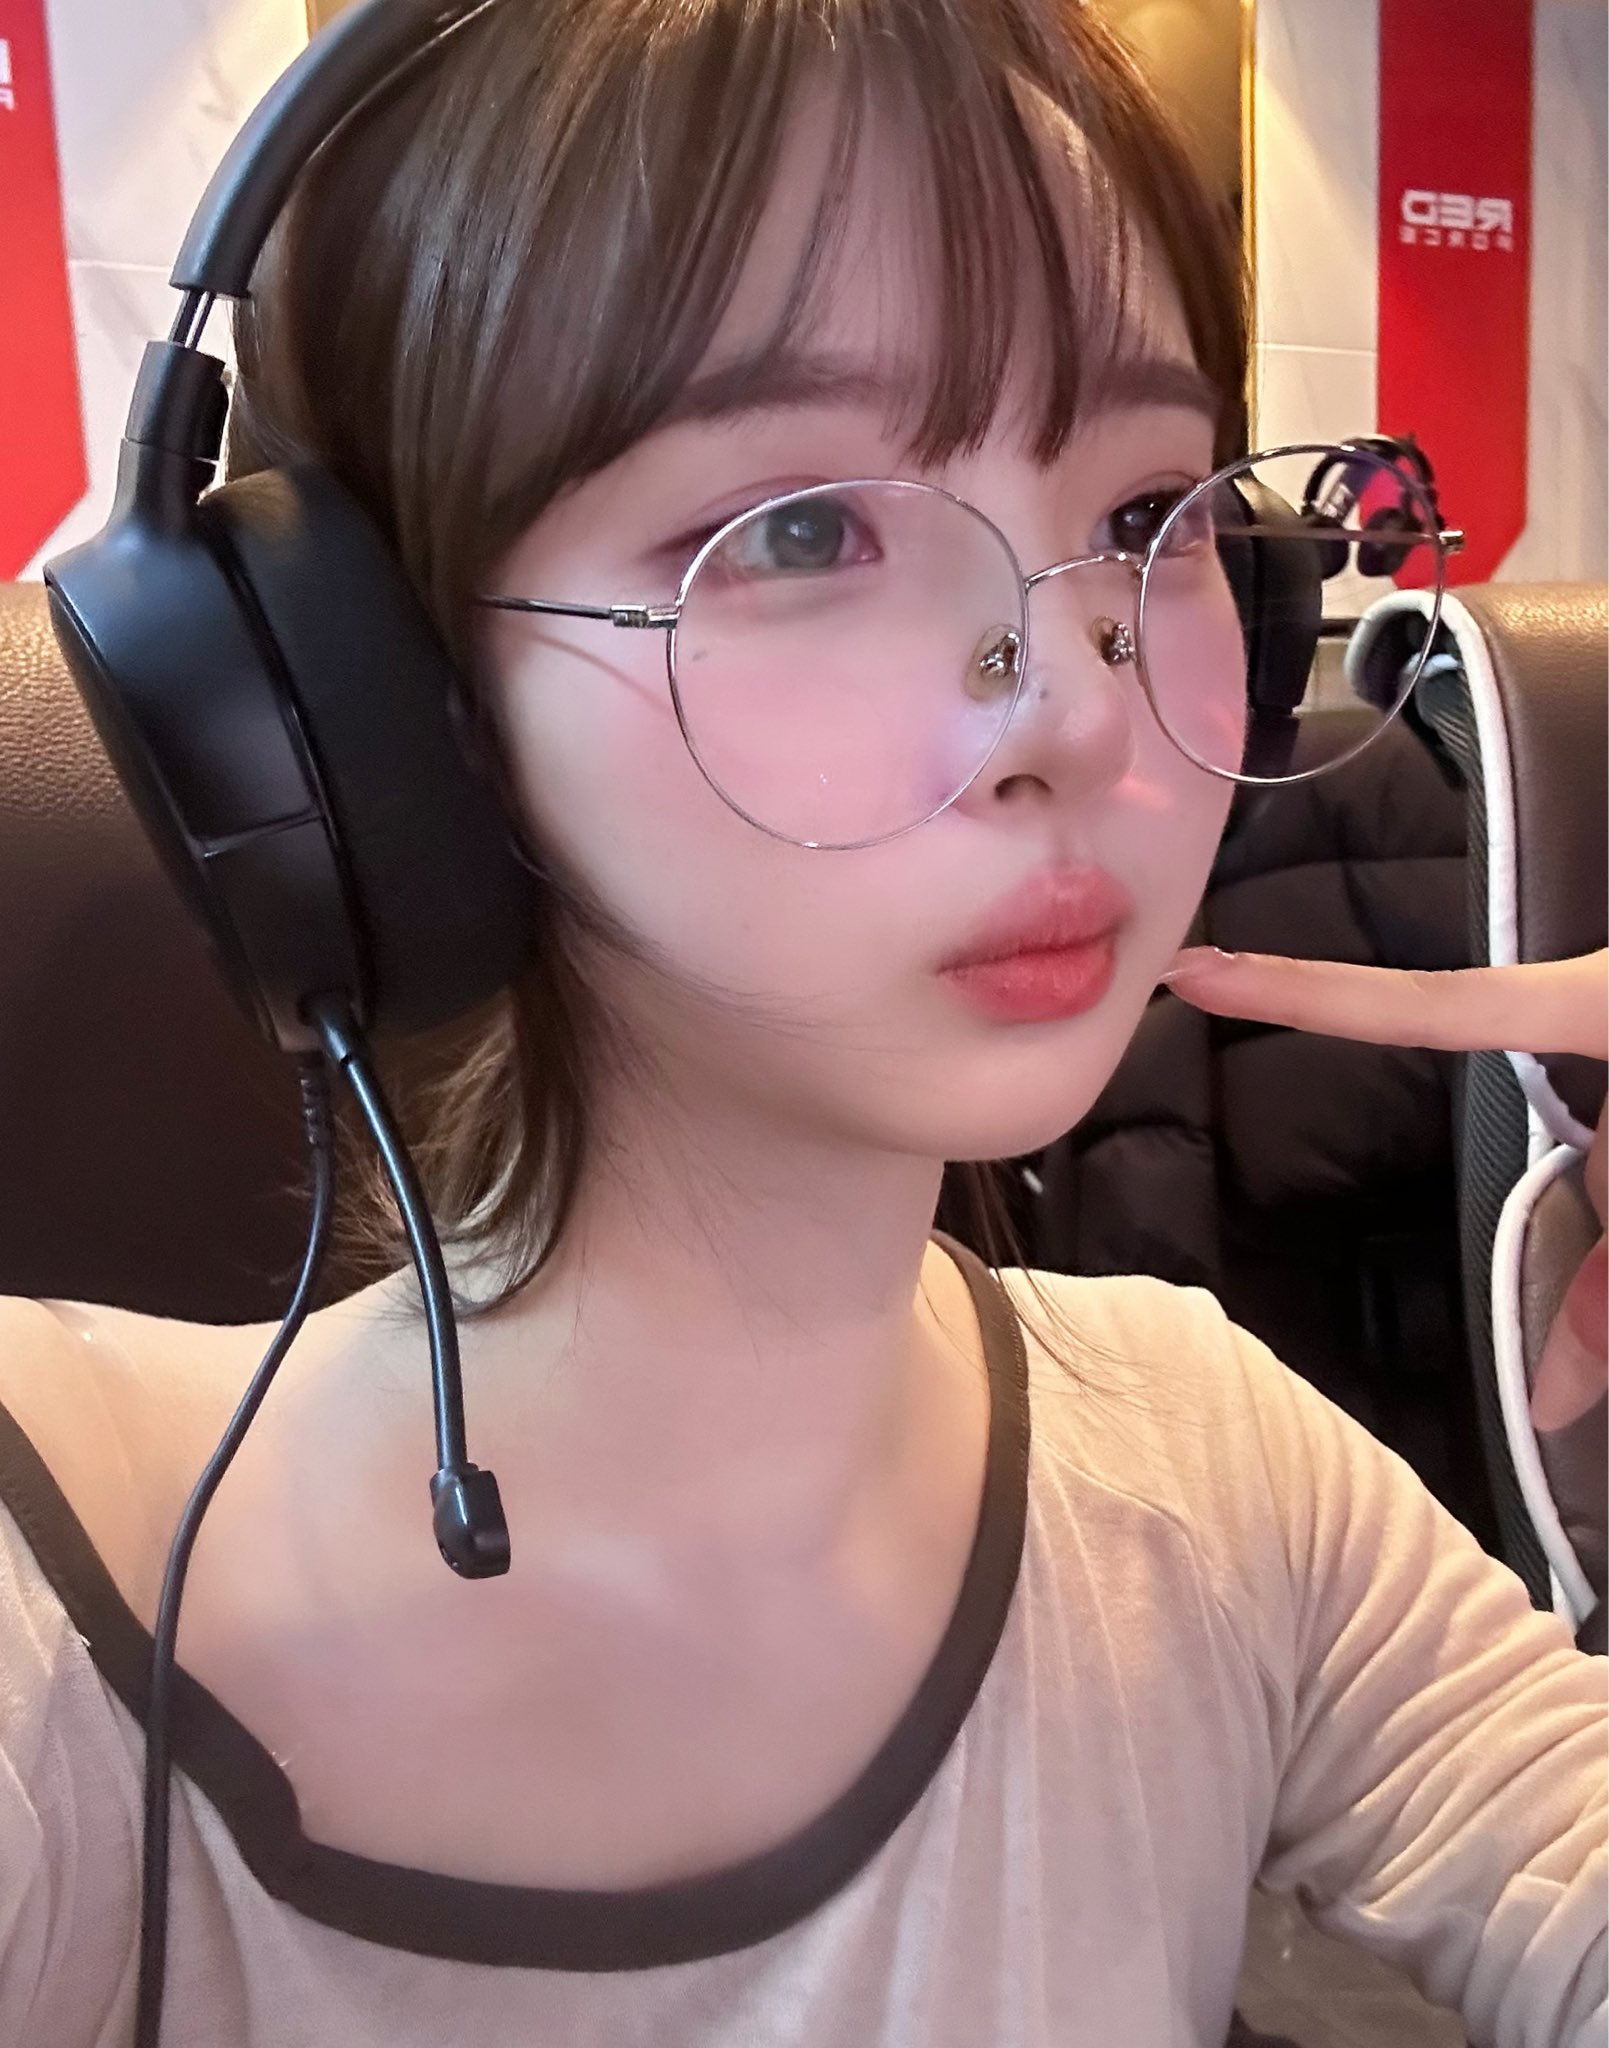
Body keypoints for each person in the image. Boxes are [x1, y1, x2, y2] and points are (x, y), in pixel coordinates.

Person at [0, 2, 1604, 2044]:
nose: (1074, 706)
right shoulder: (52, 1591)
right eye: (800, 530)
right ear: (373, 706)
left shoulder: (1209, 1468)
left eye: (1142, 519)